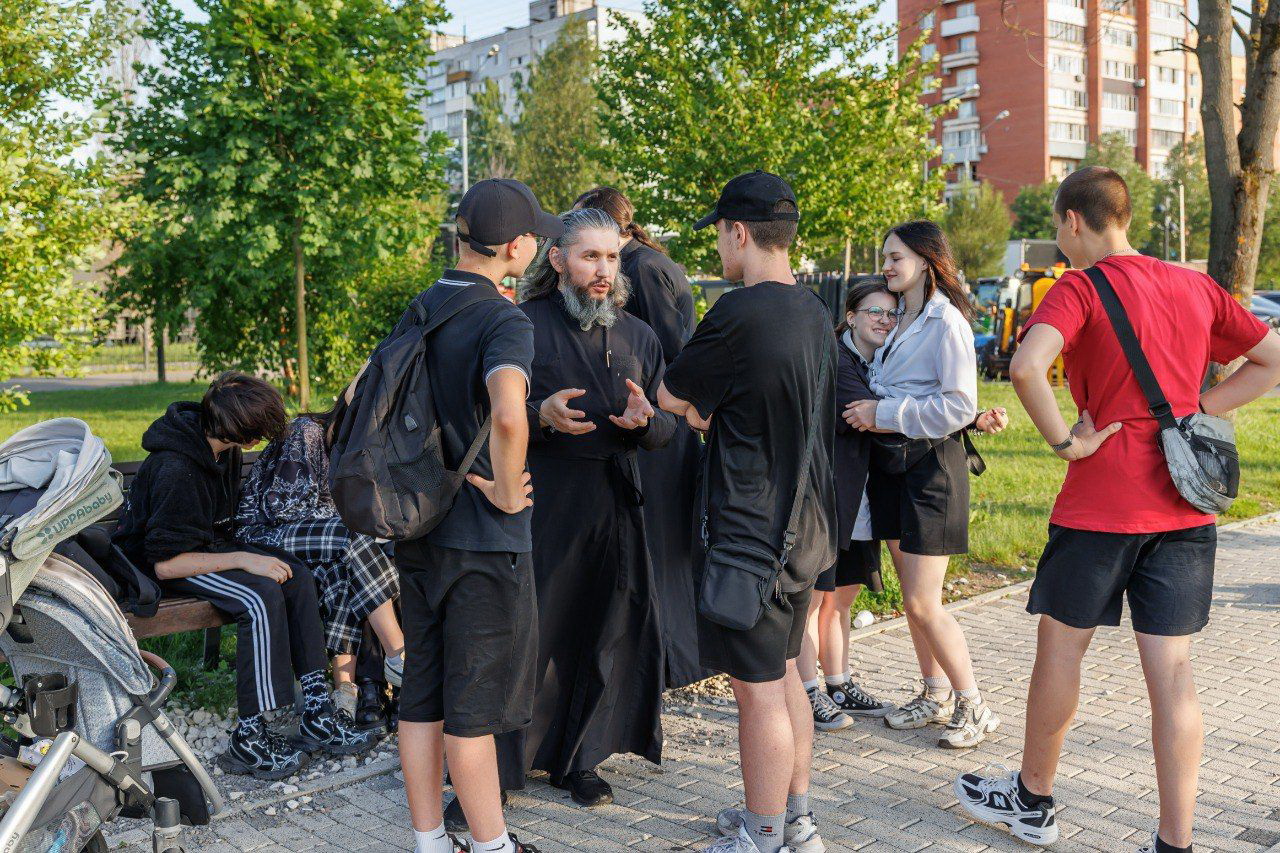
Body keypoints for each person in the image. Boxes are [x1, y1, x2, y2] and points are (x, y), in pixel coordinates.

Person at [954, 166, 1280, 852]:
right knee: (1173, 673)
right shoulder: (1194, 284)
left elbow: (1023, 366)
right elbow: (1271, 358)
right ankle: (1175, 841)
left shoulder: (1079, 285)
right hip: (1186, 509)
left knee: (1061, 649)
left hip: (1101, 504)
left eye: (1056, 225)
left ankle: (1034, 800)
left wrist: (1062, 440)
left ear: (1075, 221)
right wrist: (1199, 411)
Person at [658, 170, 837, 853]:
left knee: (758, 691)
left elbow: (672, 395)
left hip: (751, 533)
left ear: (738, 232)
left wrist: (706, 413)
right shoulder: (816, 310)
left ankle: (761, 838)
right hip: (807, 525)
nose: (718, 253)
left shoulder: (737, 313)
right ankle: (795, 819)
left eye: (720, 237)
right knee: (791, 671)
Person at [482, 207, 676, 818]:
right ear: (559, 259)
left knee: (600, 634)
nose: (602, 270)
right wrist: (539, 415)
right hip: (540, 503)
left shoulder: (640, 336)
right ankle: (497, 773)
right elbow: (482, 414)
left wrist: (647, 424)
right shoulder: (521, 326)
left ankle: (579, 759)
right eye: (589, 256)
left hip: (613, 504)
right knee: (523, 637)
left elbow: (670, 427)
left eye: (612, 257)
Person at [389, 178, 562, 853]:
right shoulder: (503, 318)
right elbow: (512, 413)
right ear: (515, 246)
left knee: (422, 693)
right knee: (474, 709)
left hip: (420, 527)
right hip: (485, 543)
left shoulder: (421, 306)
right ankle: (492, 846)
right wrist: (503, 487)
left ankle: (431, 841)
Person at [112, 372, 375, 780]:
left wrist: (245, 555)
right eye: (258, 433)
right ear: (240, 431)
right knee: (259, 597)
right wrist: (244, 560)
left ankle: (317, 712)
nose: (260, 442)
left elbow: (220, 530)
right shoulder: (175, 468)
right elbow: (165, 562)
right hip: (163, 566)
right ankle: (249, 738)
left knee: (297, 577)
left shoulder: (222, 447)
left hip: (206, 549)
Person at [844, 220, 1000, 749]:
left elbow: (959, 405)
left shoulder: (945, 322)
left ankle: (974, 704)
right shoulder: (900, 316)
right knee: (914, 602)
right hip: (891, 469)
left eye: (896, 257)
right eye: (884, 256)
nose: (886, 265)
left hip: (931, 470)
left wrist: (882, 411)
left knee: (923, 602)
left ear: (927, 261)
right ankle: (934, 693)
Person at [573, 186, 705, 690]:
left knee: (660, 548)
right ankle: (666, 660)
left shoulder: (644, 269)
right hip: (655, 424)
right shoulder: (649, 262)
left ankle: (670, 662)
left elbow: (669, 353)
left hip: (660, 430)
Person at [234, 398, 406, 726]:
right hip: (262, 535)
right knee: (352, 538)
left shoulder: (336, 451)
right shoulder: (306, 432)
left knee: (343, 568)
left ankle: (345, 690)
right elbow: (284, 506)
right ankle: (399, 655)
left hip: (299, 539)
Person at [795, 277, 895, 732]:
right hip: (828, 496)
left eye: (892, 313)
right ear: (851, 316)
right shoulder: (838, 358)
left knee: (843, 597)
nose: (884, 320)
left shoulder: (884, 362)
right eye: (874, 311)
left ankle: (838, 682)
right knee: (814, 600)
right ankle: (807, 690)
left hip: (861, 499)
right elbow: (865, 411)